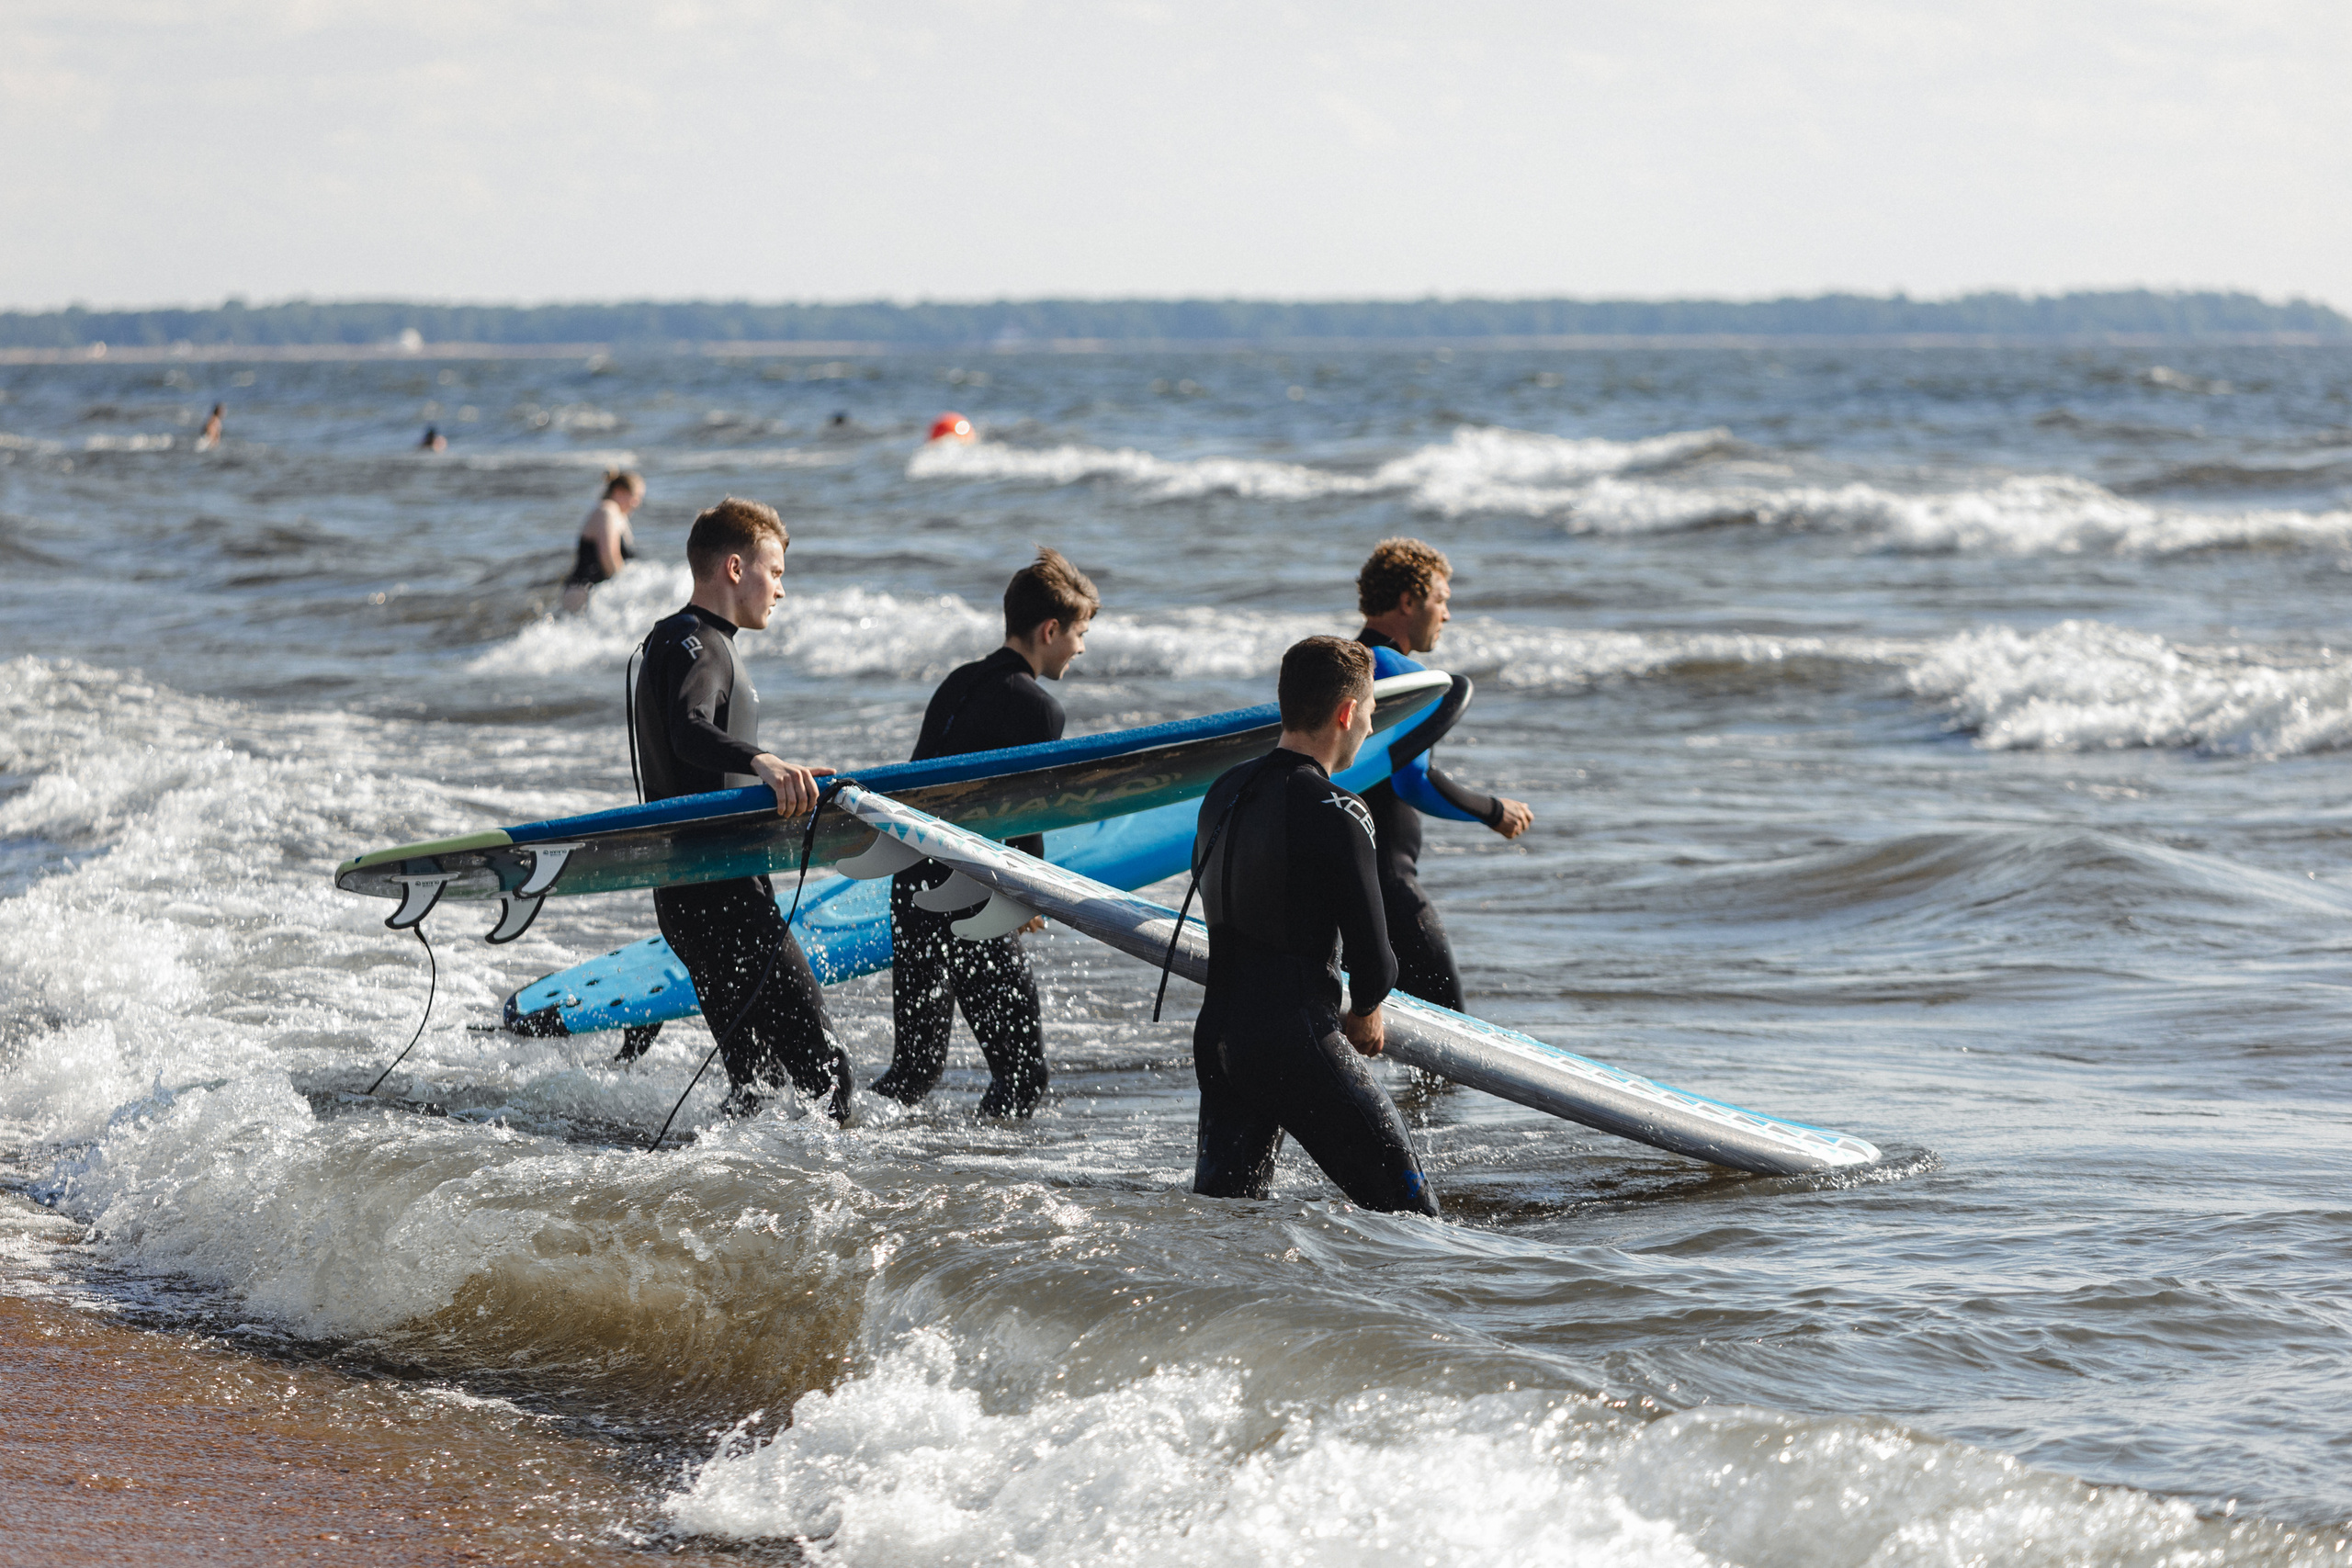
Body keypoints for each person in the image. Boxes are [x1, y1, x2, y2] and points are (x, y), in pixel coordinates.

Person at [1189, 636, 1438, 1216]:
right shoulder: (1339, 809)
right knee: (1415, 1221)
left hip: (1219, 1039)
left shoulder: (1222, 792)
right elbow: (1375, 960)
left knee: (1229, 1226)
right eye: (1371, 714)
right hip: (1294, 1041)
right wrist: (1366, 1008)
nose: (1370, 731)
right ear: (1346, 712)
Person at [629, 497, 852, 1122]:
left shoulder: (671, 640)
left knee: (757, 1085)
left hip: (689, 894)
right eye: (775, 570)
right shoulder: (700, 644)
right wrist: (764, 760)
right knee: (828, 1076)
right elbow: (687, 730)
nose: (781, 588)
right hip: (725, 898)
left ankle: (725, 1202)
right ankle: (840, 1212)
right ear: (734, 567)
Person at [873, 547, 1101, 1116]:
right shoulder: (1039, 708)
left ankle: (832, 1135)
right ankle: (982, 1192)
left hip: (911, 889)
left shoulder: (957, 683)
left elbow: (916, 791)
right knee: (1022, 1074)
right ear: (1050, 629)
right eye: (1080, 633)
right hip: (971, 896)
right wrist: (1026, 896)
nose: (1080, 647)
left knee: (915, 1070)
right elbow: (1026, 812)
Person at [1353, 538, 1532, 1014]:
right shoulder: (1399, 670)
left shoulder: (1342, 668)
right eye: (1441, 600)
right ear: (1409, 601)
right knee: (1447, 1034)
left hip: (1338, 883)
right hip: (1386, 883)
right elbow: (1413, 780)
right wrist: (1492, 810)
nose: (1447, 614)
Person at [561, 468, 645, 613]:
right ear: (619, 491)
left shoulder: (615, 515)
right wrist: (624, 590)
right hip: (583, 594)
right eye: (635, 496)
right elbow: (608, 556)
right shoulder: (608, 510)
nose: (637, 503)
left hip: (589, 593)